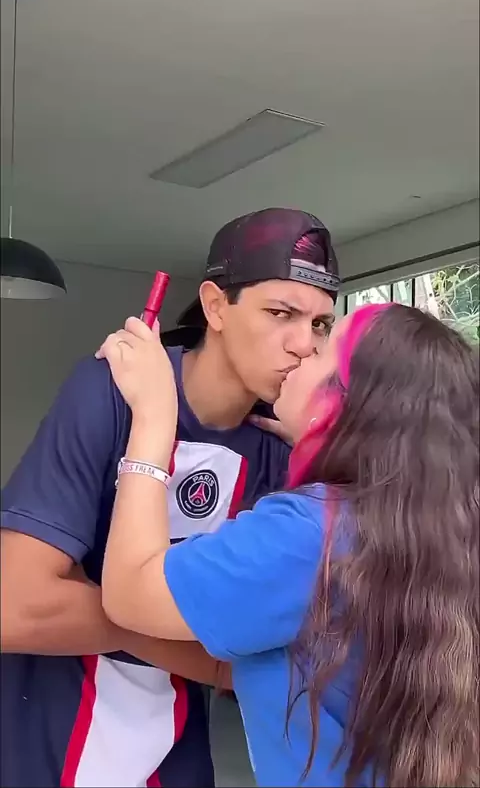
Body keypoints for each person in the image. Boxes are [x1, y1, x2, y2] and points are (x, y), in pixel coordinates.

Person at [0, 207, 340, 788]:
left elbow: (267, 660)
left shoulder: (283, 448)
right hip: (51, 731)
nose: (304, 345)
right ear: (216, 306)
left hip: (177, 743)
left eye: (321, 325)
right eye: (280, 313)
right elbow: (15, 605)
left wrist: (122, 606)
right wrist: (172, 624)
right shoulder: (113, 390)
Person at [98, 303, 478, 788]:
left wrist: (153, 419)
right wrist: (315, 440)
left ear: (341, 404)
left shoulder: (307, 537)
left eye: (321, 345)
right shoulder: (442, 523)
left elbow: (130, 592)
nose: (302, 348)